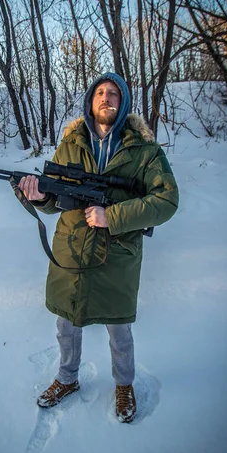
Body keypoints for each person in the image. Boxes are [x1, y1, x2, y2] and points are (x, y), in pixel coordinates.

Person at [19, 72, 178, 423]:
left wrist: (114, 216)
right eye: (100, 93)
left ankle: (124, 385)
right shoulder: (71, 143)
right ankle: (67, 378)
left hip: (117, 256)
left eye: (114, 93)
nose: (106, 98)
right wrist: (39, 195)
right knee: (66, 323)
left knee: (118, 328)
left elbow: (167, 200)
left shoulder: (144, 150)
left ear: (123, 104)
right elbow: (56, 196)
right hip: (71, 251)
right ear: (91, 101)